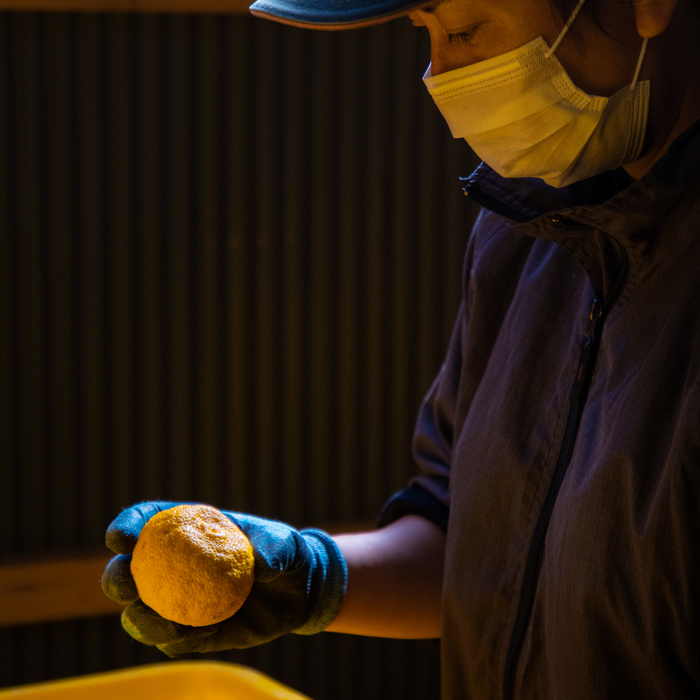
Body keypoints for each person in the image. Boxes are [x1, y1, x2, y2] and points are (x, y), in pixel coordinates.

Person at [101, 0, 700, 697]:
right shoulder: (526, 228)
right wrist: (307, 575)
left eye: (468, 28)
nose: (441, 75)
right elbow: (464, 537)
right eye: (426, 33)